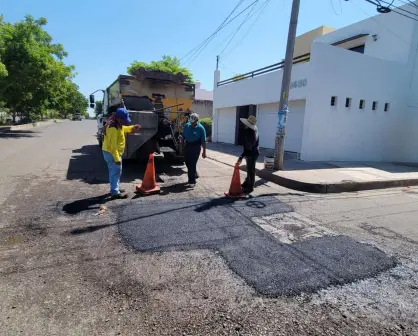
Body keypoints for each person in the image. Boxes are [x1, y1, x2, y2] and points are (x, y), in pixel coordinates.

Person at [102, 107, 140, 199]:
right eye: (123, 120)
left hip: (113, 153)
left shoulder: (117, 124)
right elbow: (112, 146)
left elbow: (124, 129)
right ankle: (115, 192)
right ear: (118, 118)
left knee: (116, 172)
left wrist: (132, 127)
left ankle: (115, 188)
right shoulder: (113, 128)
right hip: (111, 153)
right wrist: (117, 159)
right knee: (115, 172)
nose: (125, 122)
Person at [182, 113, 206, 188]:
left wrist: (204, 152)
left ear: (197, 121)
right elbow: (183, 136)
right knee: (187, 162)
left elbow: (203, 141)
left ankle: (192, 181)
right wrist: (182, 146)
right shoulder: (187, 125)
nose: (191, 123)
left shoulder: (201, 128)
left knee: (192, 163)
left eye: (193, 122)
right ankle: (194, 173)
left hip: (196, 147)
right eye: (191, 122)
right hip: (188, 145)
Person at [237, 115, 259, 194]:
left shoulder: (250, 133)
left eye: (245, 124)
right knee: (249, 169)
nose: (244, 125)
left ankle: (250, 187)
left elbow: (248, 149)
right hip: (253, 152)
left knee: (251, 170)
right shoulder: (253, 130)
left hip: (252, 153)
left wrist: (241, 157)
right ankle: (247, 182)